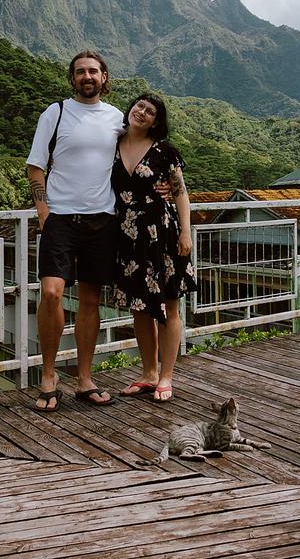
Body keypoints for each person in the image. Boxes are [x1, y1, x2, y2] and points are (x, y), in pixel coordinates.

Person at [25, 50, 124, 412]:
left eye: (94, 71)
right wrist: (44, 212)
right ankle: (48, 375)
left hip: (102, 219)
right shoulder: (57, 112)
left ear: (104, 77)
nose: (88, 76)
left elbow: (135, 158)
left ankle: (84, 379)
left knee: (90, 300)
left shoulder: (117, 118)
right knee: (51, 293)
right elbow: (35, 166)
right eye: (81, 71)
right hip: (61, 219)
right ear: (72, 79)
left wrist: (165, 185)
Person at [111, 93, 197, 403]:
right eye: (139, 107)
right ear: (130, 109)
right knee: (140, 307)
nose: (142, 113)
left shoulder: (164, 153)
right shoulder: (113, 145)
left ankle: (166, 376)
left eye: (150, 112)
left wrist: (185, 233)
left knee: (170, 306)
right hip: (128, 236)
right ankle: (148, 373)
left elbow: (181, 194)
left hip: (162, 234)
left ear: (156, 121)